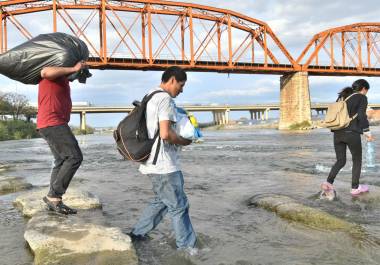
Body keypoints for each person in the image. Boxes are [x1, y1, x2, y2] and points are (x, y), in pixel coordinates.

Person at [129, 66, 197, 252]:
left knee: (162, 201)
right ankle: (187, 249)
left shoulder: (150, 94)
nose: (181, 90)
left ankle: (137, 235)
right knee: (179, 206)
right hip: (164, 164)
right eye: (181, 85)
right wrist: (184, 141)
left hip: (151, 161)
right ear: (173, 80)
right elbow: (166, 134)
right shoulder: (165, 99)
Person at [37, 61, 86, 214]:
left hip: (50, 123)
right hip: (53, 122)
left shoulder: (62, 78)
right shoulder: (50, 73)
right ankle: (54, 196)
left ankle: (53, 200)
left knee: (60, 160)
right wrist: (74, 67)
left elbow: (77, 77)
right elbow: (45, 72)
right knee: (74, 157)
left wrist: (81, 71)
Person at [321, 79, 374, 197]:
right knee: (357, 160)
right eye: (366, 91)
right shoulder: (361, 97)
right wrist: (367, 132)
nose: (366, 93)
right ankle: (355, 188)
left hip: (337, 133)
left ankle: (328, 182)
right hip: (351, 133)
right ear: (364, 89)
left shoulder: (343, 97)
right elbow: (361, 115)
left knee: (341, 160)